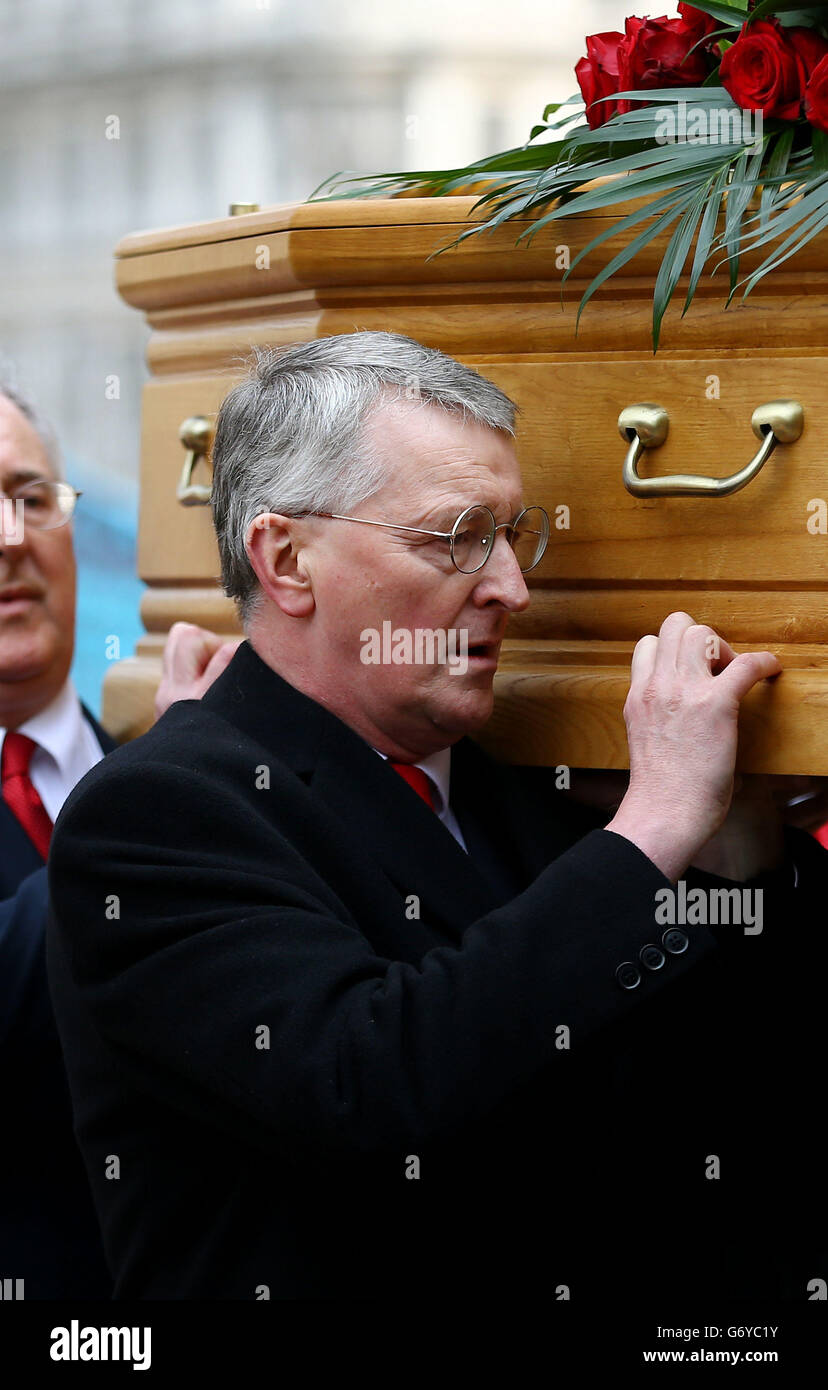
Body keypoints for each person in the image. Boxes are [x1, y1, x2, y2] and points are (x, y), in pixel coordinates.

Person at [47, 333, 827, 1301]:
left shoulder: (520, 797)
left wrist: (738, 853)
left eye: (512, 533)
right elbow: (373, 1087)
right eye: (455, 536)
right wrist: (657, 821)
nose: (511, 586)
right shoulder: (158, 813)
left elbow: (714, 1088)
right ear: (287, 557)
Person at [0, 375, 239, 1297]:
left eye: (30, 498)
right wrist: (156, 790)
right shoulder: (162, 783)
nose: (12, 540)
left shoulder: (170, 773)